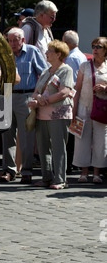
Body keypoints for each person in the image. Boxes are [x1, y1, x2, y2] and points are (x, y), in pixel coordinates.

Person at [0, 27, 47, 184]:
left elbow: (44, 74)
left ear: (23, 40)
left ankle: (26, 171)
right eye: (10, 40)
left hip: (26, 97)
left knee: (27, 136)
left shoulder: (32, 52)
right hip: (6, 95)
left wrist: (36, 94)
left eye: (15, 40)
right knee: (6, 135)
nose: (12, 43)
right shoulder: (4, 53)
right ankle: (8, 170)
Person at [28, 40, 75, 190]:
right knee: (42, 147)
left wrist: (43, 101)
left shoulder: (66, 70)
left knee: (58, 146)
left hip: (59, 113)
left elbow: (64, 92)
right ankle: (46, 177)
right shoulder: (45, 71)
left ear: (59, 54)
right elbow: (36, 91)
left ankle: (60, 179)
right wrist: (37, 99)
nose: (46, 53)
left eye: (50, 51)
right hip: (42, 114)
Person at [72, 37, 107, 184]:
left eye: (99, 46)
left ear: (105, 50)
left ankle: (97, 173)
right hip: (83, 106)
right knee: (81, 139)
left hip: (102, 109)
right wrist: (73, 111)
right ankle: (84, 173)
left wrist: (106, 88)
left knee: (101, 141)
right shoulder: (84, 66)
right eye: (93, 46)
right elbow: (77, 89)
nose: (95, 49)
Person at [62, 30, 87, 172]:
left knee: (71, 132)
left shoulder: (71, 58)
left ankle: (70, 162)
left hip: (73, 97)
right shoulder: (81, 55)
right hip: (80, 96)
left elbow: (72, 81)